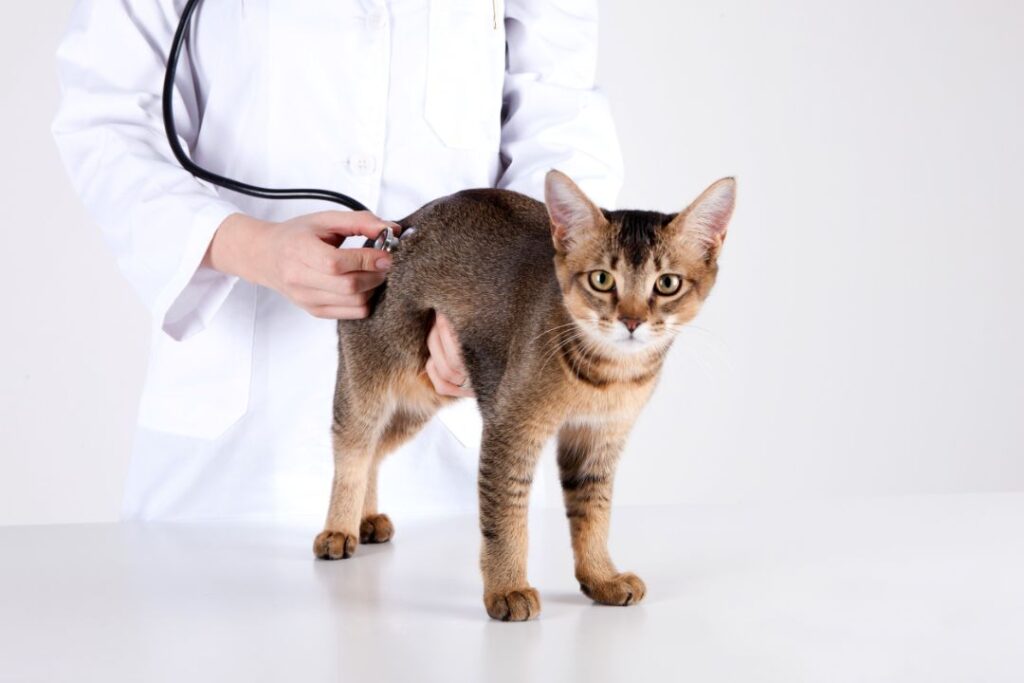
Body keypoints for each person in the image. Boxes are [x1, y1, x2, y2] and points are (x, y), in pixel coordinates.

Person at [52, 0, 623, 522]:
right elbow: (107, 118)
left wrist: (496, 302)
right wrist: (251, 247)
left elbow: (561, 123)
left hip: (450, 446)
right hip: (228, 459)